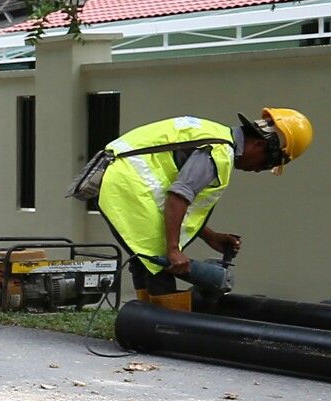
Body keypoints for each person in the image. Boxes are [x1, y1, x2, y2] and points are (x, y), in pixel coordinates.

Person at [96, 107, 312, 307]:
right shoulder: (219, 152)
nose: (257, 171)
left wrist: (210, 236)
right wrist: (173, 249)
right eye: (265, 164)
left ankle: (142, 319)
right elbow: (178, 196)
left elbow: (171, 200)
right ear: (260, 145)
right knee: (160, 260)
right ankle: (167, 329)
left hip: (123, 181)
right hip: (126, 185)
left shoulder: (217, 137)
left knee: (147, 259)